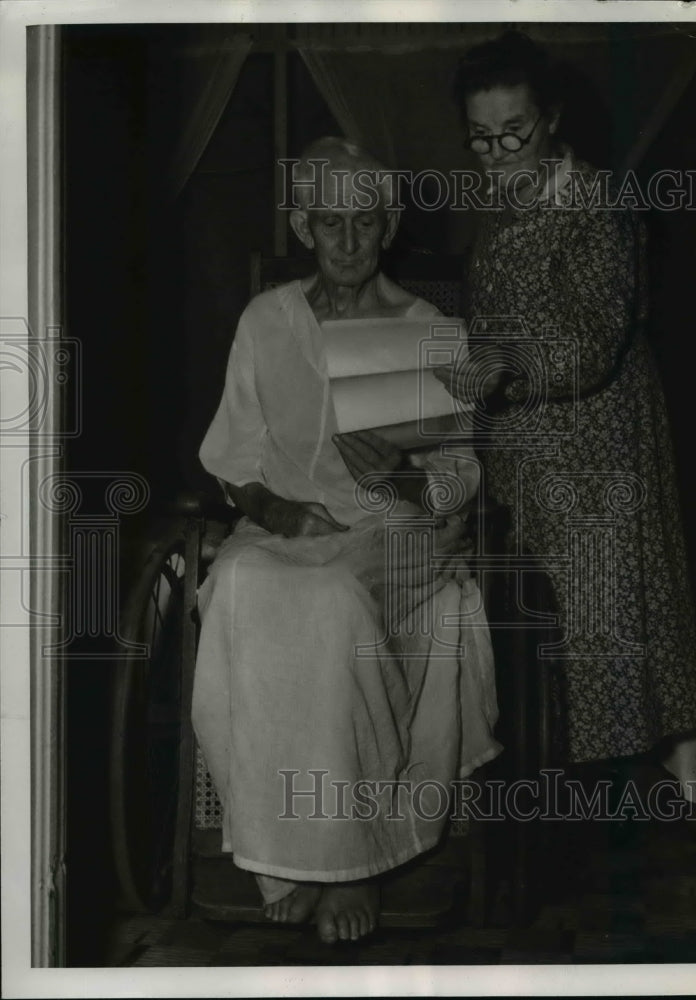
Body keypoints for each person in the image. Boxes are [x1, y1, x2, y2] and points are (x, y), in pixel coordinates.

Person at [193, 137, 501, 944]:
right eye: (330, 222)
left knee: (330, 605)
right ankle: (279, 854)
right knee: (240, 586)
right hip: (289, 525)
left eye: (365, 221)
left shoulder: (424, 327)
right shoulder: (268, 320)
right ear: (303, 226)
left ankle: (350, 863)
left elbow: (460, 483)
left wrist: (401, 474)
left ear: (389, 225)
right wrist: (275, 509)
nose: (348, 241)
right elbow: (230, 457)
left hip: (393, 529)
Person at [435, 32, 696, 777]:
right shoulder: (498, 208)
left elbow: (591, 340)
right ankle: (567, 803)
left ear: (550, 118)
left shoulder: (597, 203)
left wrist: (501, 365)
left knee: (604, 632)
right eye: (480, 139)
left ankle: (612, 817)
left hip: (598, 442)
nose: (496, 153)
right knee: (548, 637)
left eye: (513, 133)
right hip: (525, 443)